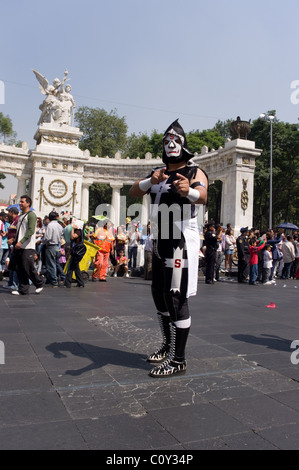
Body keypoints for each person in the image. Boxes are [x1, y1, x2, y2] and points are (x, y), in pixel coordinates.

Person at [129, 119, 208, 377]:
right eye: (166, 141)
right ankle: (168, 346)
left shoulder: (194, 171)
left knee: (175, 295)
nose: (170, 144)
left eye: (175, 140)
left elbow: (203, 195)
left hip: (180, 240)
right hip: (160, 239)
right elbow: (132, 191)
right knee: (159, 293)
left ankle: (179, 359)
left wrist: (189, 192)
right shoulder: (158, 172)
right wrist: (149, 182)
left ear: (183, 145)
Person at [11, 195, 44, 295]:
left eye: (22, 202)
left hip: (27, 246)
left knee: (28, 267)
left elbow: (30, 231)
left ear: (28, 203)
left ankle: (39, 283)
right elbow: (20, 231)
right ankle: (23, 289)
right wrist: (14, 240)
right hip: (20, 246)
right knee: (20, 268)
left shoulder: (32, 215)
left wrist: (21, 241)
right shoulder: (21, 216)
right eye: (20, 202)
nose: (20, 204)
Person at [43, 211, 63, 287]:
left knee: (51, 264)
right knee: (54, 262)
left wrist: (43, 241)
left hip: (51, 245)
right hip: (57, 245)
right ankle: (50, 279)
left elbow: (47, 237)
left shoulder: (50, 225)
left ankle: (54, 280)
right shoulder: (59, 226)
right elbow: (61, 236)